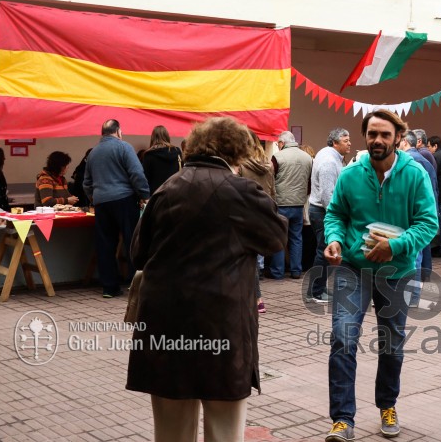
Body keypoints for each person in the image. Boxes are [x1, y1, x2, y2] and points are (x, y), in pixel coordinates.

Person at [126, 117, 287, 442]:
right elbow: (276, 239)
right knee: (225, 432)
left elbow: (137, 254)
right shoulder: (242, 191)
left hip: (165, 328)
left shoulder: (166, 189)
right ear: (238, 151)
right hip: (222, 327)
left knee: (171, 433)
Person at [322, 110, 437, 441]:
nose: (378, 140)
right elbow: (336, 214)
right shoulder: (350, 174)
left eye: (385, 135)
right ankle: (343, 419)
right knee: (343, 338)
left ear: (398, 138)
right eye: (372, 134)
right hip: (353, 269)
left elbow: (428, 223)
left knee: (392, 346)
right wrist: (334, 239)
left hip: (396, 272)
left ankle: (387, 404)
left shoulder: (414, 174)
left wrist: (396, 246)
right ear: (365, 136)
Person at [83, 119, 151, 298]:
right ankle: (134, 284)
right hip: (124, 199)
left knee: (105, 244)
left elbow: (86, 182)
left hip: (101, 203)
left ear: (102, 133)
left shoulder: (93, 153)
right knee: (131, 242)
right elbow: (136, 173)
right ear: (118, 131)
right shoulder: (124, 147)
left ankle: (109, 287)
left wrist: (94, 197)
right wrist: (144, 195)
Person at [307, 128, 352, 304]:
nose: (349, 143)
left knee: (323, 251)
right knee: (324, 251)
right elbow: (328, 194)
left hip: (319, 210)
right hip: (322, 211)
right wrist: (336, 217)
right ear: (335, 142)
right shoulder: (328, 161)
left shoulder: (329, 156)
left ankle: (318, 288)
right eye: (345, 140)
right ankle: (316, 291)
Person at [239, 128, 277, 314]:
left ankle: (256, 298)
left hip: (245, 214)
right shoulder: (268, 165)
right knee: (253, 257)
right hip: (263, 213)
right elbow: (272, 191)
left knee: (248, 258)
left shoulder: (241, 166)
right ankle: (254, 297)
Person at [269, 131, 313, 279]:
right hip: (299, 204)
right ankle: (296, 271)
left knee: (279, 237)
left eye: (278, 143)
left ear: (282, 143)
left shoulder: (278, 157)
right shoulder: (307, 157)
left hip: (281, 204)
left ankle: (277, 272)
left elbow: (271, 179)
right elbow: (309, 183)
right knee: (296, 238)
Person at [398, 130, 437, 283]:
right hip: (423, 210)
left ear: (405, 142)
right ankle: (416, 288)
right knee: (420, 250)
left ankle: (411, 292)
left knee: (413, 255)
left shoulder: (409, 160)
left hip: (412, 212)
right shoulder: (423, 159)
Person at [141, 125, 183, 194]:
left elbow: (145, 178)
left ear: (153, 138)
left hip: (156, 194)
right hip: (174, 192)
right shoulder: (177, 151)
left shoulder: (149, 155)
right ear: (167, 136)